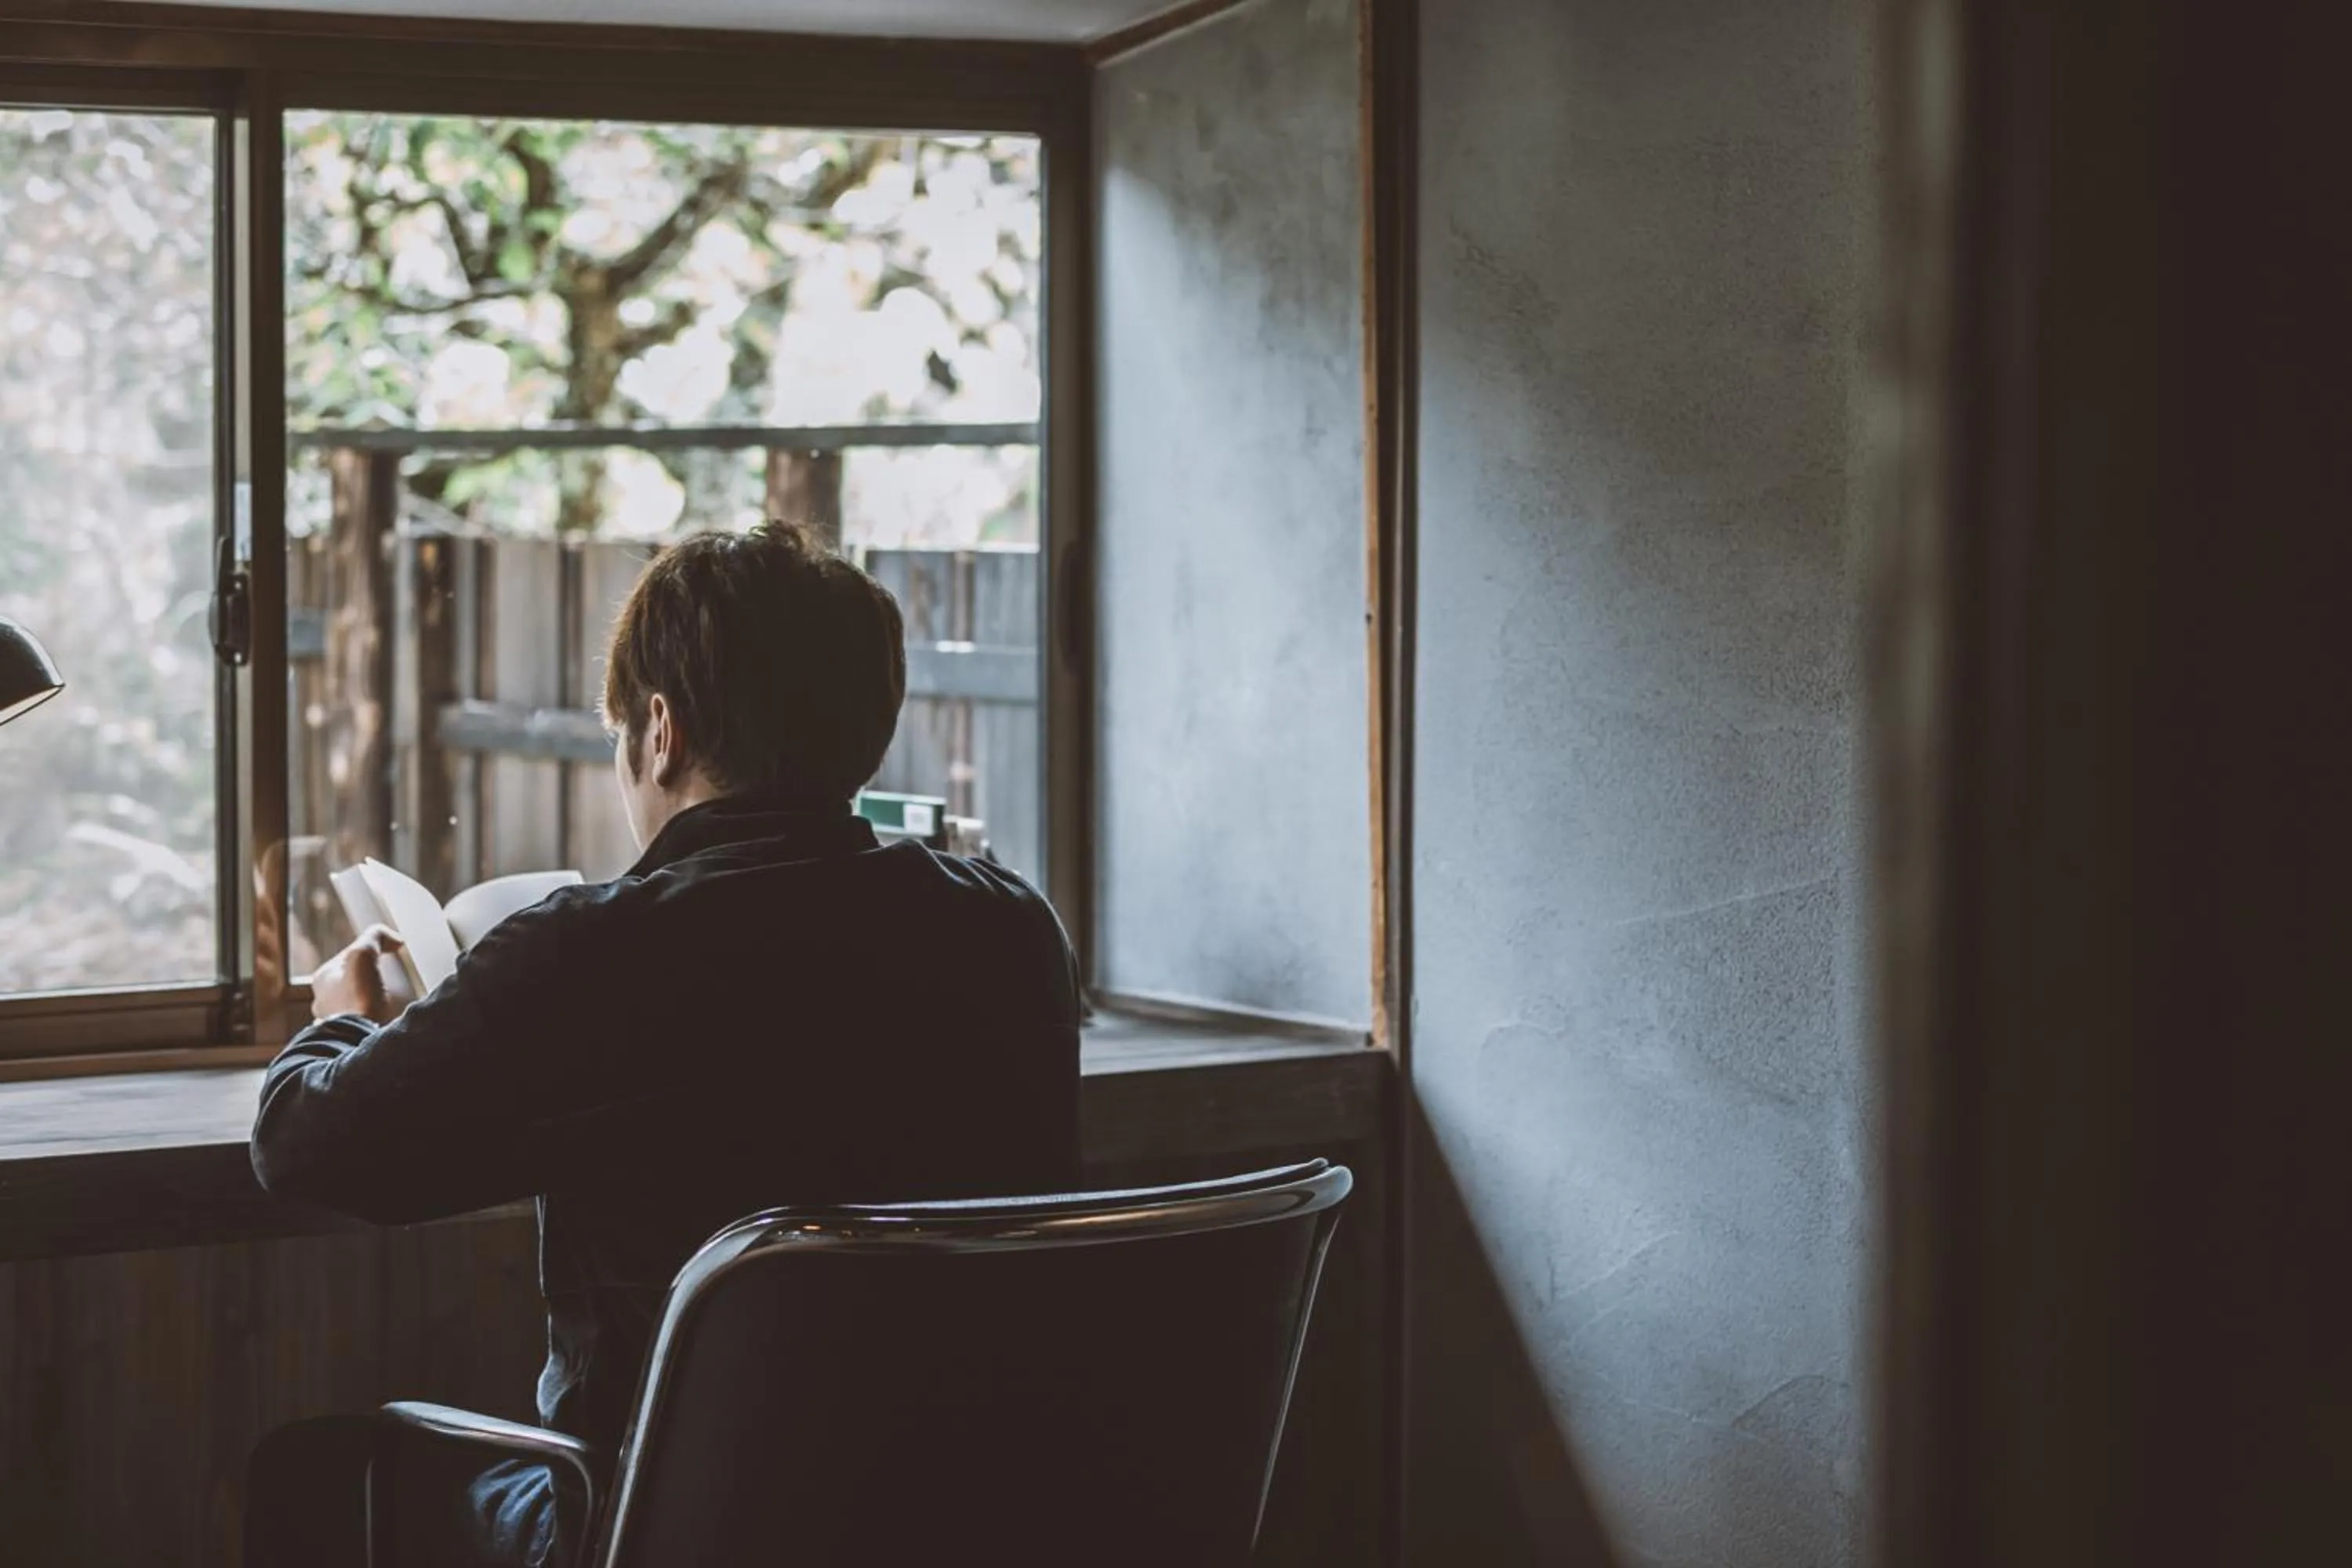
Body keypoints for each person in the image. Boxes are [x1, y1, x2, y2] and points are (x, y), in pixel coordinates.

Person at [243, 522, 1081, 1567]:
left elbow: (306, 1146)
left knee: (320, 1473)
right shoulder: (1009, 928)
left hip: (658, 1523)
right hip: (965, 1510)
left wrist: (340, 1016)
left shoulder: (597, 952)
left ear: (660, 730)